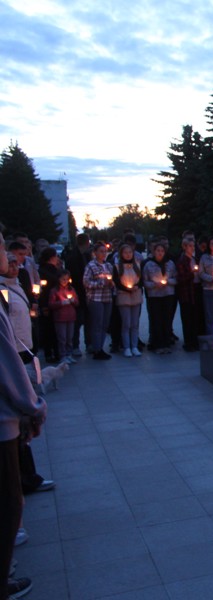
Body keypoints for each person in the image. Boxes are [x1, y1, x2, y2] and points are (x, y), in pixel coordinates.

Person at [1, 230, 47, 599]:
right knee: (7, 495)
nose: (13, 259)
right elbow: (6, 364)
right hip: (4, 416)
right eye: (6, 251)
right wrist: (33, 405)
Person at [83, 243, 115, 360]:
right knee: (97, 324)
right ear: (95, 253)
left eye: (105, 251)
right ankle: (96, 349)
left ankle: (101, 347)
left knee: (105, 324)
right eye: (101, 251)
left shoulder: (109, 266)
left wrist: (111, 284)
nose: (103, 253)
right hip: (95, 298)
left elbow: (112, 281)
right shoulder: (91, 266)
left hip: (107, 298)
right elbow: (86, 282)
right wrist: (101, 283)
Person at [143, 243, 177, 354]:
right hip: (155, 296)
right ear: (154, 252)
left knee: (166, 320)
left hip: (168, 295)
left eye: (162, 250)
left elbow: (175, 278)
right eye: (158, 250)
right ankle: (158, 344)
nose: (160, 253)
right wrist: (154, 285)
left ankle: (166, 343)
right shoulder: (149, 265)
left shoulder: (170, 264)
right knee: (156, 320)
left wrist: (168, 282)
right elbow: (145, 282)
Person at [112, 244, 142, 357]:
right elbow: (117, 282)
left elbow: (141, 280)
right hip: (123, 296)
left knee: (135, 323)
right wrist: (127, 289)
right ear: (121, 254)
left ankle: (134, 346)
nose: (128, 254)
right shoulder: (117, 266)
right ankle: (126, 347)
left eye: (130, 252)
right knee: (126, 323)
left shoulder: (137, 265)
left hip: (136, 295)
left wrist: (136, 286)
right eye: (125, 252)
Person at [175, 238, 203, 352]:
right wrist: (192, 273)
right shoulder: (182, 260)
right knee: (187, 319)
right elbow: (181, 278)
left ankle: (195, 341)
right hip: (186, 293)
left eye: (193, 246)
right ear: (184, 247)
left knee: (195, 318)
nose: (192, 248)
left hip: (195, 290)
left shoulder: (194, 259)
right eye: (190, 246)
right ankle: (188, 342)